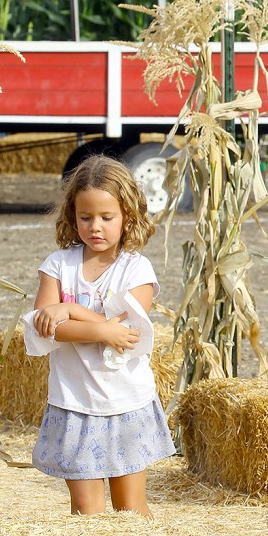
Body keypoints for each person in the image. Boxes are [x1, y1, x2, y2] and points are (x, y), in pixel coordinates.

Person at [24, 155, 176, 517]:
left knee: (131, 509)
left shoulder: (136, 269)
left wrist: (71, 310)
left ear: (128, 216)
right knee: (85, 512)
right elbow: (45, 327)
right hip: (74, 403)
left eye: (107, 218)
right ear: (71, 216)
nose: (96, 227)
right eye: (85, 217)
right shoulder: (58, 265)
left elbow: (125, 335)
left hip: (125, 403)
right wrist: (96, 328)